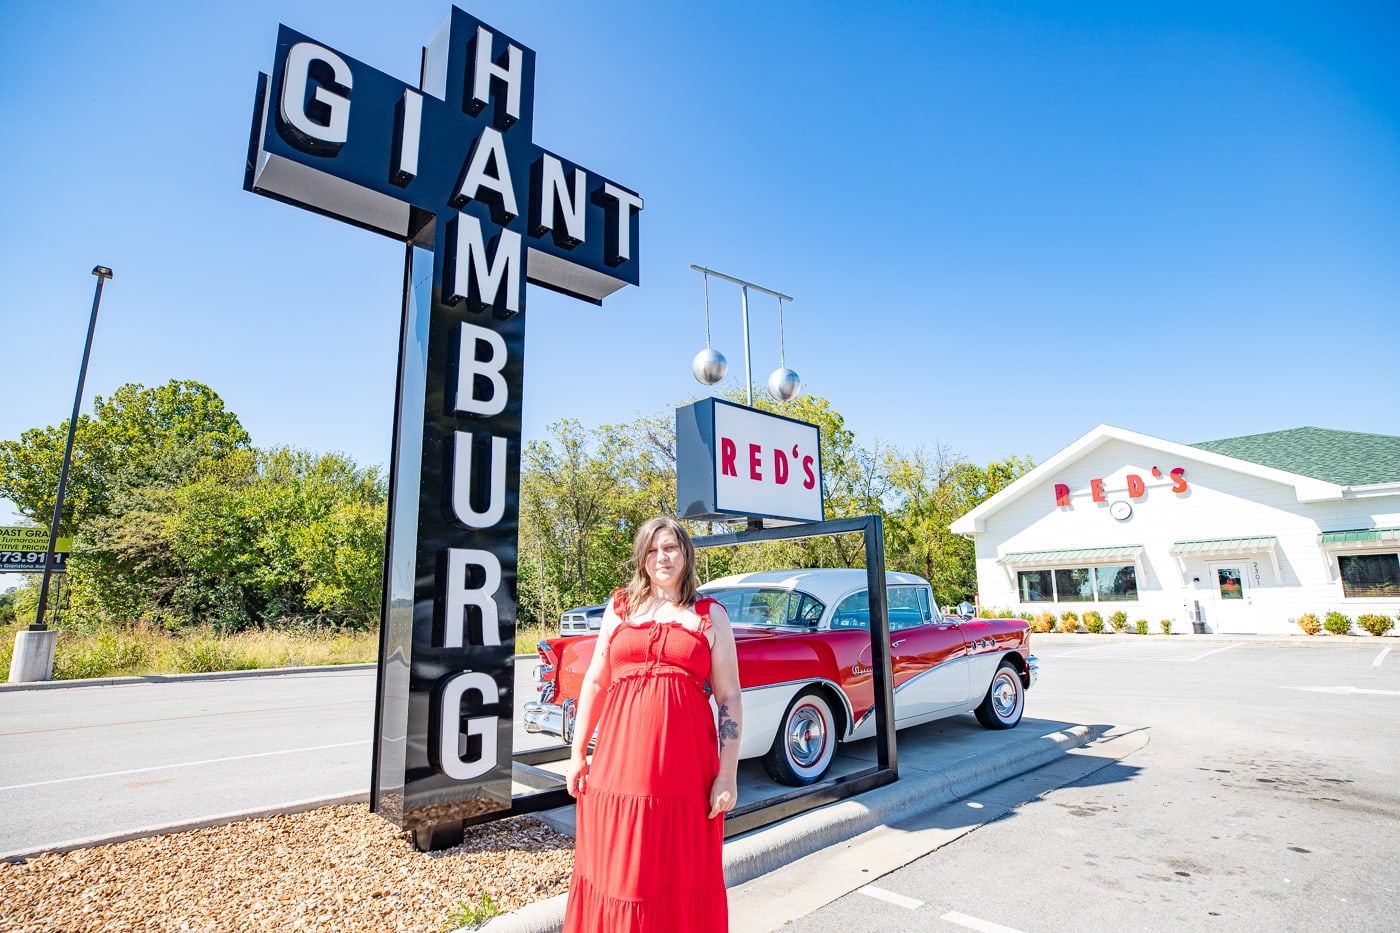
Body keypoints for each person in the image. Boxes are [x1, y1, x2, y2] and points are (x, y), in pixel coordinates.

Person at [562, 516, 743, 933]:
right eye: (653, 549)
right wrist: (577, 754)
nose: (662, 557)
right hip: (616, 768)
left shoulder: (710, 616)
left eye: (671, 548)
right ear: (643, 558)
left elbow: (729, 696)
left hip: (685, 773)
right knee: (622, 874)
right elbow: (595, 681)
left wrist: (728, 774)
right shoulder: (621, 606)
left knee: (678, 876)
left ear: (686, 554)